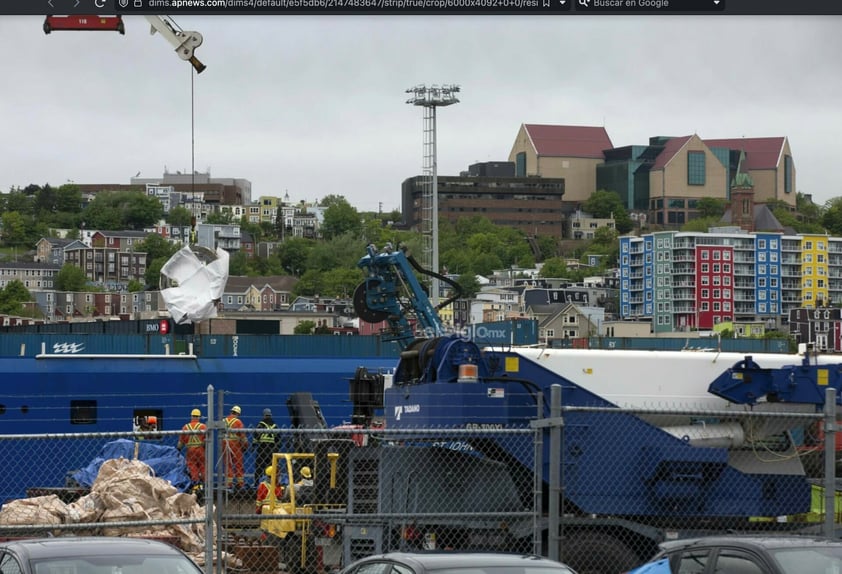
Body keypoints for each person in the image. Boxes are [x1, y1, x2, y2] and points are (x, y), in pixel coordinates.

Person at [177, 408, 206, 487]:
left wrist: (178, 450)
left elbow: (180, 443)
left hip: (190, 450)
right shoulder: (203, 427)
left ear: (191, 416)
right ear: (199, 417)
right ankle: (205, 485)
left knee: (192, 467)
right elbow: (207, 440)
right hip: (201, 449)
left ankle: (196, 485)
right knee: (203, 466)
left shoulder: (185, 427)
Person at [223, 405, 249, 489]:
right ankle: (240, 484)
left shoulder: (223, 421)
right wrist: (245, 446)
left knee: (228, 464)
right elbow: (243, 436)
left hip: (224, 444)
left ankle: (228, 484)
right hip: (235, 445)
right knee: (238, 464)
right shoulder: (238, 422)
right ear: (238, 413)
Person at [254, 408, 279, 485]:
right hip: (272, 448)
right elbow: (277, 438)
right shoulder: (274, 425)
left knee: (259, 465)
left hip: (262, 447)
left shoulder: (261, 424)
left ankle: (257, 482)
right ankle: (272, 482)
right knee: (271, 466)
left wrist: (254, 444)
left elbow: (256, 435)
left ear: (264, 415)